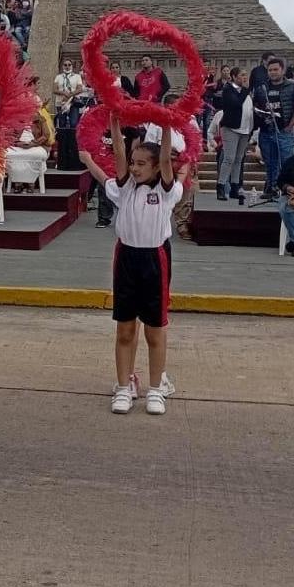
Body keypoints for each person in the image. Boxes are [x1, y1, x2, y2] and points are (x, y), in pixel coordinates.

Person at [78, 113, 179, 416]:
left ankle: (156, 389)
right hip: (126, 259)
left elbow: (165, 157)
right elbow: (118, 153)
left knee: (154, 330)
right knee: (125, 328)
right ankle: (124, 385)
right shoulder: (125, 188)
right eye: (133, 163)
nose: (134, 168)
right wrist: (114, 122)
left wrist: (165, 126)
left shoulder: (166, 191)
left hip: (154, 259)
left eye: (141, 164)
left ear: (157, 167)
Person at [254, 58, 294, 198]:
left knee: (286, 162)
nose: (273, 72)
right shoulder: (262, 88)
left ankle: (288, 190)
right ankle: (271, 188)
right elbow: (255, 105)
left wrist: (290, 126)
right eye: (270, 70)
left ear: (282, 70)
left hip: (283, 131)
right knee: (270, 162)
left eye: (276, 69)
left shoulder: (292, 87)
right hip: (266, 131)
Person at [217, 68, 254, 200]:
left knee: (239, 159)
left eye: (246, 75)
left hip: (245, 129)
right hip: (231, 128)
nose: (245, 77)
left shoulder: (247, 92)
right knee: (229, 158)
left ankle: (235, 187)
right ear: (233, 77)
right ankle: (221, 186)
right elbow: (236, 104)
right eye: (242, 75)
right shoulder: (228, 89)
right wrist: (245, 90)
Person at [6, 113, 53, 193]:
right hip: (18, 145)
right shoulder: (15, 117)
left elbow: (46, 135)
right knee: (11, 155)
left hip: (37, 145)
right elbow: (9, 135)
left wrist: (33, 143)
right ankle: (18, 182)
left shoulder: (40, 119)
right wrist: (17, 143)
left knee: (34, 155)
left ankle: (31, 183)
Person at [53, 59, 84, 171]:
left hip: (73, 102)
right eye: (65, 65)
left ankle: (72, 148)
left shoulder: (77, 77)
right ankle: (62, 151)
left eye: (69, 65)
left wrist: (70, 94)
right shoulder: (59, 77)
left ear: (72, 66)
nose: (67, 66)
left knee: (73, 123)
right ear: (62, 66)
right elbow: (55, 89)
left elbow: (80, 88)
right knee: (61, 125)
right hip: (61, 103)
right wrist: (63, 93)